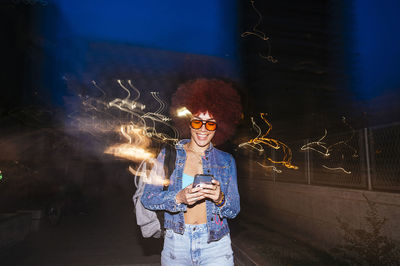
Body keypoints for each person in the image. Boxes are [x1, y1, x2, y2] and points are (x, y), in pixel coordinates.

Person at [141, 78, 242, 265]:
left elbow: (234, 210)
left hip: (216, 244)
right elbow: (147, 198)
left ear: (218, 127)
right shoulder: (168, 155)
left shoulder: (226, 161)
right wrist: (178, 198)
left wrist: (220, 198)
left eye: (210, 123)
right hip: (176, 243)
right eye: (197, 122)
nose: (203, 129)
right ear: (188, 123)